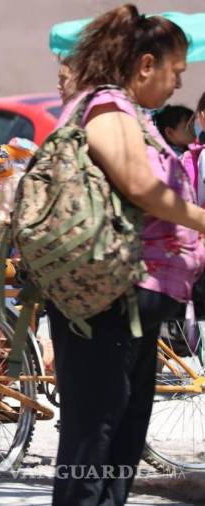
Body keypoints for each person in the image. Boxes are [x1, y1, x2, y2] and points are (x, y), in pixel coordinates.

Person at [49, 5, 205, 505]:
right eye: (175, 72)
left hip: (129, 306)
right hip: (105, 304)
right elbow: (137, 184)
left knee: (119, 441)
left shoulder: (132, 115)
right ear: (145, 65)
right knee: (93, 441)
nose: (178, 84)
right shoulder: (109, 107)